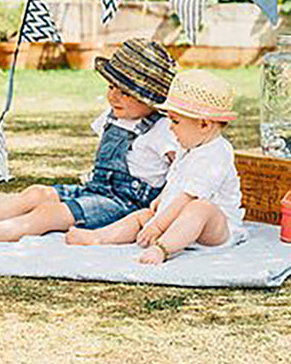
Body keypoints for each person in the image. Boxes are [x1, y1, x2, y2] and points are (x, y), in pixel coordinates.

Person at [0, 39, 179, 246]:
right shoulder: (113, 116)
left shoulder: (162, 130)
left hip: (124, 206)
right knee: (36, 193)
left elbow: (182, 169)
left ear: (150, 99)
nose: (113, 96)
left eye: (125, 92)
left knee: (48, 214)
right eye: (111, 86)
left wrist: (166, 211)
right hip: (96, 191)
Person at [66, 68, 244, 263]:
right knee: (143, 215)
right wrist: (162, 198)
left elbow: (187, 197)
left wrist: (158, 226)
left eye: (175, 121)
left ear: (204, 125)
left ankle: (162, 249)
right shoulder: (189, 145)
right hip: (175, 217)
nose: (169, 126)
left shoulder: (216, 154)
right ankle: (99, 237)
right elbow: (176, 178)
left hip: (213, 230)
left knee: (200, 208)